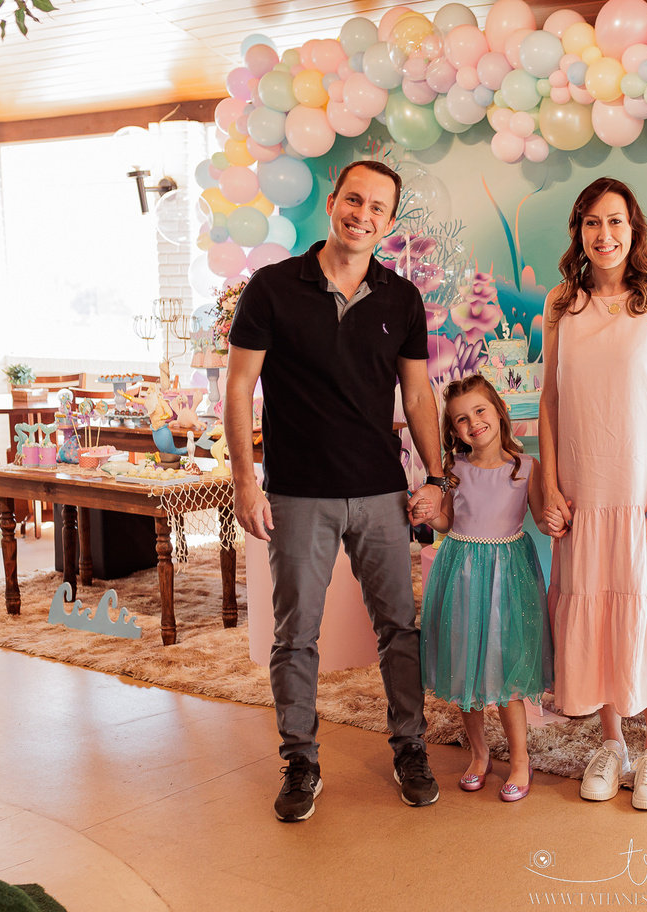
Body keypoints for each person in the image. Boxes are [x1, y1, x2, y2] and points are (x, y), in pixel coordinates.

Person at [225, 160, 449, 823]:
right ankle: (300, 759)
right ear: (332, 202)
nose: (363, 214)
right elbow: (239, 386)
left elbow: (417, 394)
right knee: (296, 634)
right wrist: (244, 479)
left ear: (390, 221)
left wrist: (437, 477)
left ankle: (410, 747)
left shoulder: (401, 298)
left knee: (399, 629)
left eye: (378, 207)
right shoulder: (272, 287)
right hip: (297, 494)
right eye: (355, 199)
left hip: (381, 492)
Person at [539, 177, 647, 811]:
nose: (604, 234)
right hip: (587, 484)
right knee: (599, 602)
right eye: (592, 222)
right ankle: (611, 743)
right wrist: (550, 482)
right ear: (579, 231)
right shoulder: (561, 302)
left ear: (633, 228)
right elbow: (550, 399)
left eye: (615, 221)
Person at [419, 375, 554, 802]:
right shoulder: (454, 471)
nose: (473, 422)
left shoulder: (525, 467)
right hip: (461, 573)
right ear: (454, 430)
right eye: (461, 419)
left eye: (479, 411)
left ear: (498, 410)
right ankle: (479, 755)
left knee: (506, 668)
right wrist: (428, 514)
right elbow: (447, 522)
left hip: (507, 577)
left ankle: (519, 760)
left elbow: (541, 517)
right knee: (465, 668)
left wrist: (556, 518)